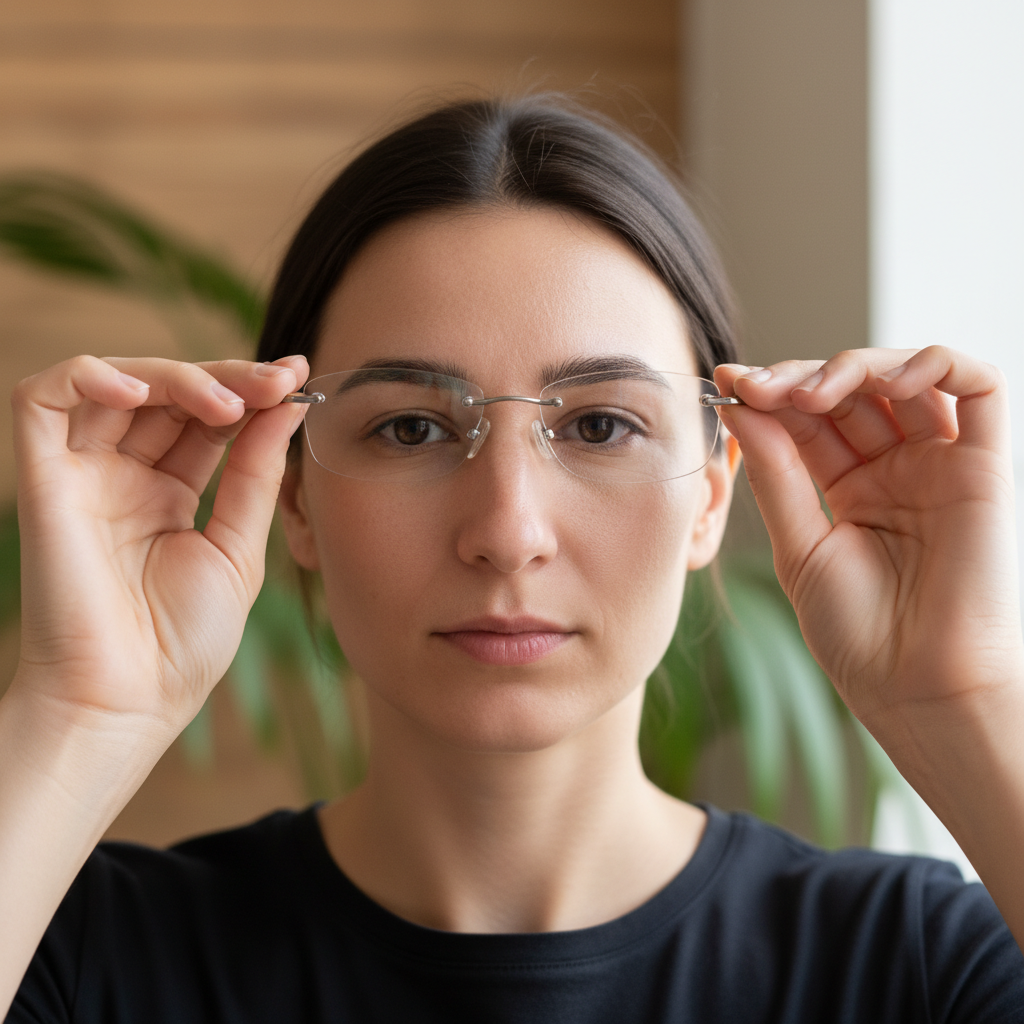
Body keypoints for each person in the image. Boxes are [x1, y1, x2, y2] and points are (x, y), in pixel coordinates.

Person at [3, 96, 1024, 1023]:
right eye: (409, 428)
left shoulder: (919, 970)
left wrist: (964, 699)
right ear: (296, 494)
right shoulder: (83, 959)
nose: (507, 529)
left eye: (600, 426)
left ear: (713, 491)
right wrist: (80, 711)